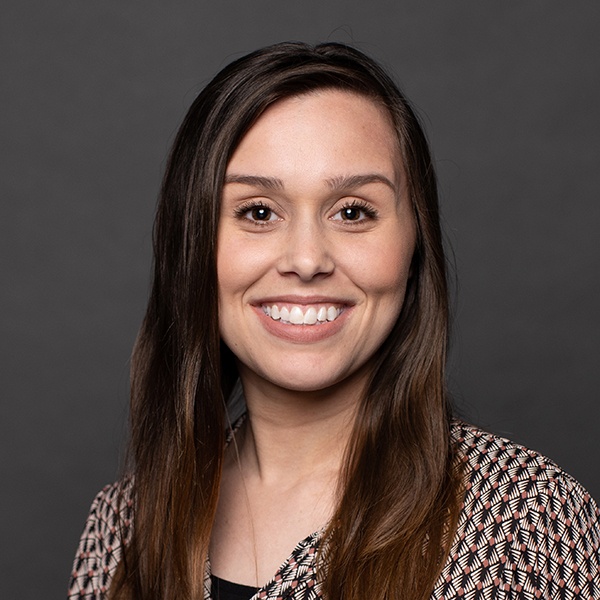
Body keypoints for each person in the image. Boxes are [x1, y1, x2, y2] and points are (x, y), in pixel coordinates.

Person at [68, 42, 600, 600]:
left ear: (414, 243)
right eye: (257, 212)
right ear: (192, 246)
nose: (306, 260)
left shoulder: (524, 523)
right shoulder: (122, 525)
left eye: (352, 211)